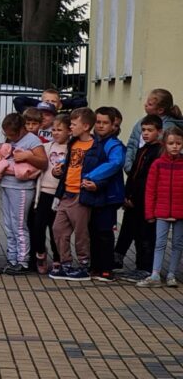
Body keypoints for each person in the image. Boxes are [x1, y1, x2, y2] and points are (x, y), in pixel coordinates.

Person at [49, 108, 98, 281]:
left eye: (74, 124)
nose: (70, 127)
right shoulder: (73, 143)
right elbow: (69, 164)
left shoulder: (95, 146)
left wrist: (95, 183)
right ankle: (66, 264)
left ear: (85, 126)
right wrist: (58, 171)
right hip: (66, 192)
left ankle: (84, 265)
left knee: (81, 232)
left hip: (81, 194)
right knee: (58, 228)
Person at [0, 113, 47, 275]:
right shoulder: (11, 139)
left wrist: (27, 156)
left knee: (19, 225)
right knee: (8, 224)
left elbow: (43, 162)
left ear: (22, 129)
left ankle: (23, 261)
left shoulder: (32, 140)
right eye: (7, 134)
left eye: (12, 134)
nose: (10, 137)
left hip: (22, 188)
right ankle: (12, 259)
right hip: (7, 184)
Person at [116, 114, 162, 280]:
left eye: (150, 130)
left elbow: (147, 179)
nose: (146, 133)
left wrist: (136, 197)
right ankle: (129, 262)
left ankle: (145, 267)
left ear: (159, 132)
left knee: (145, 235)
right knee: (131, 231)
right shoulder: (143, 149)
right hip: (133, 200)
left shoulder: (159, 152)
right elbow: (134, 175)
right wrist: (127, 195)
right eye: (143, 130)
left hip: (146, 202)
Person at [137, 126, 183, 288]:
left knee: (177, 244)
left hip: (180, 212)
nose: (175, 146)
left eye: (178, 143)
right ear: (164, 144)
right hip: (161, 212)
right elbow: (150, 190)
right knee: (159, 243)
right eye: (171, 143)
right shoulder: (157, 164)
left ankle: (171, 274)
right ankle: (155, 273)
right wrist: (150, 213)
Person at [88, 106, 126, 282]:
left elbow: (115, 163)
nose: (100, 126)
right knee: (93, 231)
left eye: (105, 123)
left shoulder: (114, 145)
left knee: (104, 232)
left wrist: (90, 176)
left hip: (109, 195)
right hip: (92, 194)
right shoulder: (91, 141)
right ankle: (95, 266)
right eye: (98, 122)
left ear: (113, 125)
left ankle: (106, 268)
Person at [32, 113, 70, 275]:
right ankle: (40, 254)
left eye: (59, 130)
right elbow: (39, 166)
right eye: (53, 129)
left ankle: (58, 258)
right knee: (38, 226)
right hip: (44, 192)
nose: (55, 133)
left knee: (56, 229)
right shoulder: (46, 147)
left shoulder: (71, 149)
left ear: (69, 131)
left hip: (60, 195)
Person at [125, 89, 183, 173]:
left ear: (160, 110)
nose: (145, 105)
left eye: (150, 104)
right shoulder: (140, 123)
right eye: (144, 130)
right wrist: (129, 166)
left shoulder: (169, 128)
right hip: (137, 173)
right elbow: (132, 144)